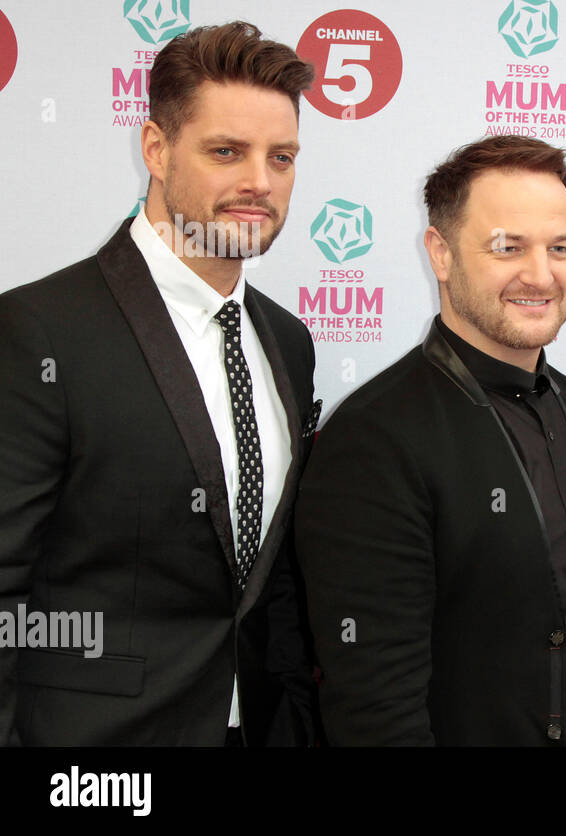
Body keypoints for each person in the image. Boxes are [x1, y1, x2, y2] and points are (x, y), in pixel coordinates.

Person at [0, 22, 319, 746]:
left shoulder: (287, 342)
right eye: (226, 152)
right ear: (155, 148)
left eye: (283, 157)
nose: (259, 183)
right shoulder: (38, 330)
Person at [295, 135, 566, 746]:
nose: (540, 274)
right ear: (440, 254)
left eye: (560, 247)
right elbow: (374, 707)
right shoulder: (375, 436)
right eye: (508, 247)